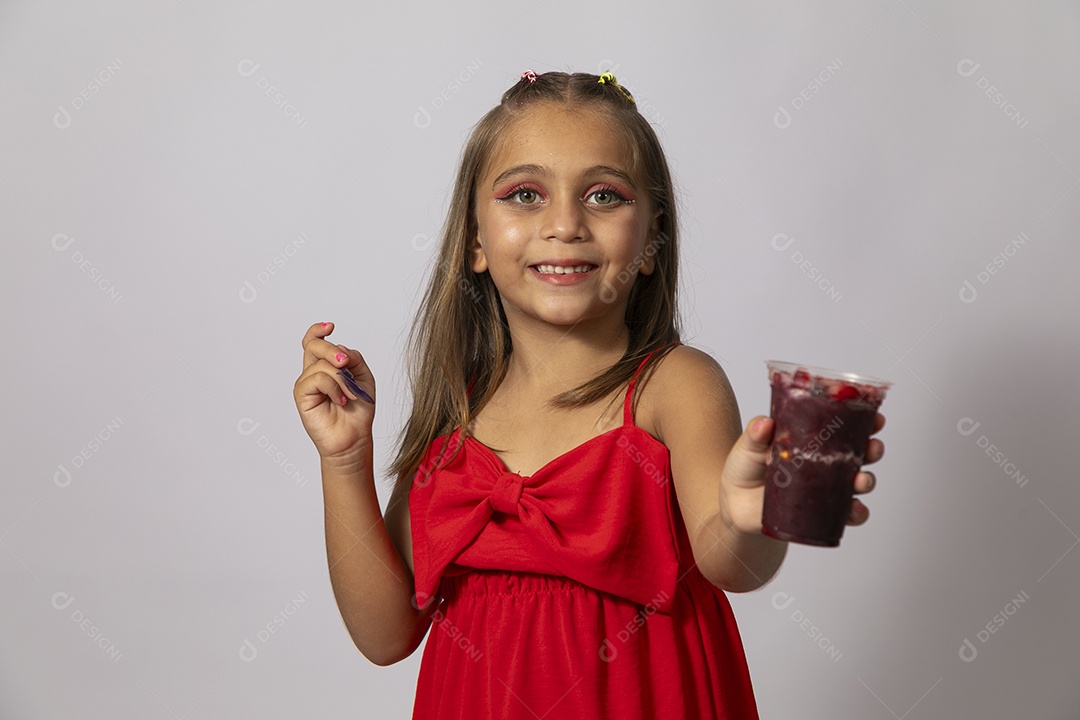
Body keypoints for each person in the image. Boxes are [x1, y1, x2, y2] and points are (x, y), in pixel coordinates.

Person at [293, 70, 884, 719]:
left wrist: (753, 517)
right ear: (474, 241)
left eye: (604, 196)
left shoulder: (674, 386)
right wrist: (345, 460)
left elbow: (731, 566)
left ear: (652, 241)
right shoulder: (457, 417)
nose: (565, 223)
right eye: (525, 194)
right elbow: (385, 637)